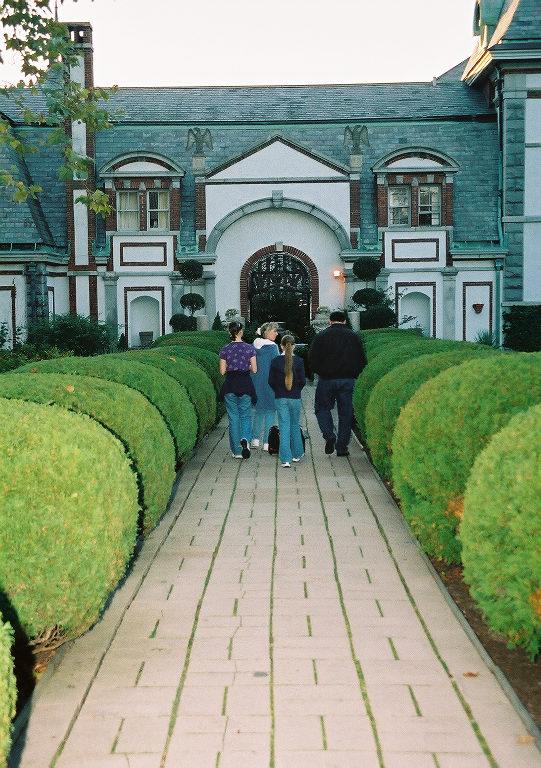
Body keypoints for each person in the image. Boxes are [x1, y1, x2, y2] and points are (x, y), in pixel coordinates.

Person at [308, 309, 367, 457]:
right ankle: (342, 448)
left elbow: (312, 358)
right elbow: (362, 359)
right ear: (345, 321)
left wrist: (319, 371)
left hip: (327, 379)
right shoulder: (354, 336)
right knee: (346, 413)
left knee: (322, 408)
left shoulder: (321, 336)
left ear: (330, 321)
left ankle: (329, 435)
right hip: (348, 380)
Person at [219, 321, 257, 459]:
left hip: (230, 385)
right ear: (241, 332)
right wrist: (246, 366)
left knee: (233, 418)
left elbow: (222, 371)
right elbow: (254, 369)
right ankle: (245, 438)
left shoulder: (225, 349)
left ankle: (236, 451)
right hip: (245, 385)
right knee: (245, 415)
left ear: (230, 332)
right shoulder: (249, 348)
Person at [268, 334, 306, 468]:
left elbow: (271, 381)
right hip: (295, 397)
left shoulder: (275, 361)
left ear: (281, 346)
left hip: (280, 397)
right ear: (294, 346)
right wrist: (296, 390)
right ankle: (297, 454)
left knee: (284, 426)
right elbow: (302, 381)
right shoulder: (299, 361)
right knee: (295, 425)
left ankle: (285, 459)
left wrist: (279, 390)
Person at [251, 322, 280, 450]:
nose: (276, 334)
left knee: (259, 411)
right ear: (266, 332)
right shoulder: (273, 348)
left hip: (257, 383)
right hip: (270, 383)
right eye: (274, 331)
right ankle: (267, 443)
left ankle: (255, 440)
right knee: (270, 412)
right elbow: (277, 367)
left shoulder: (253, 346)